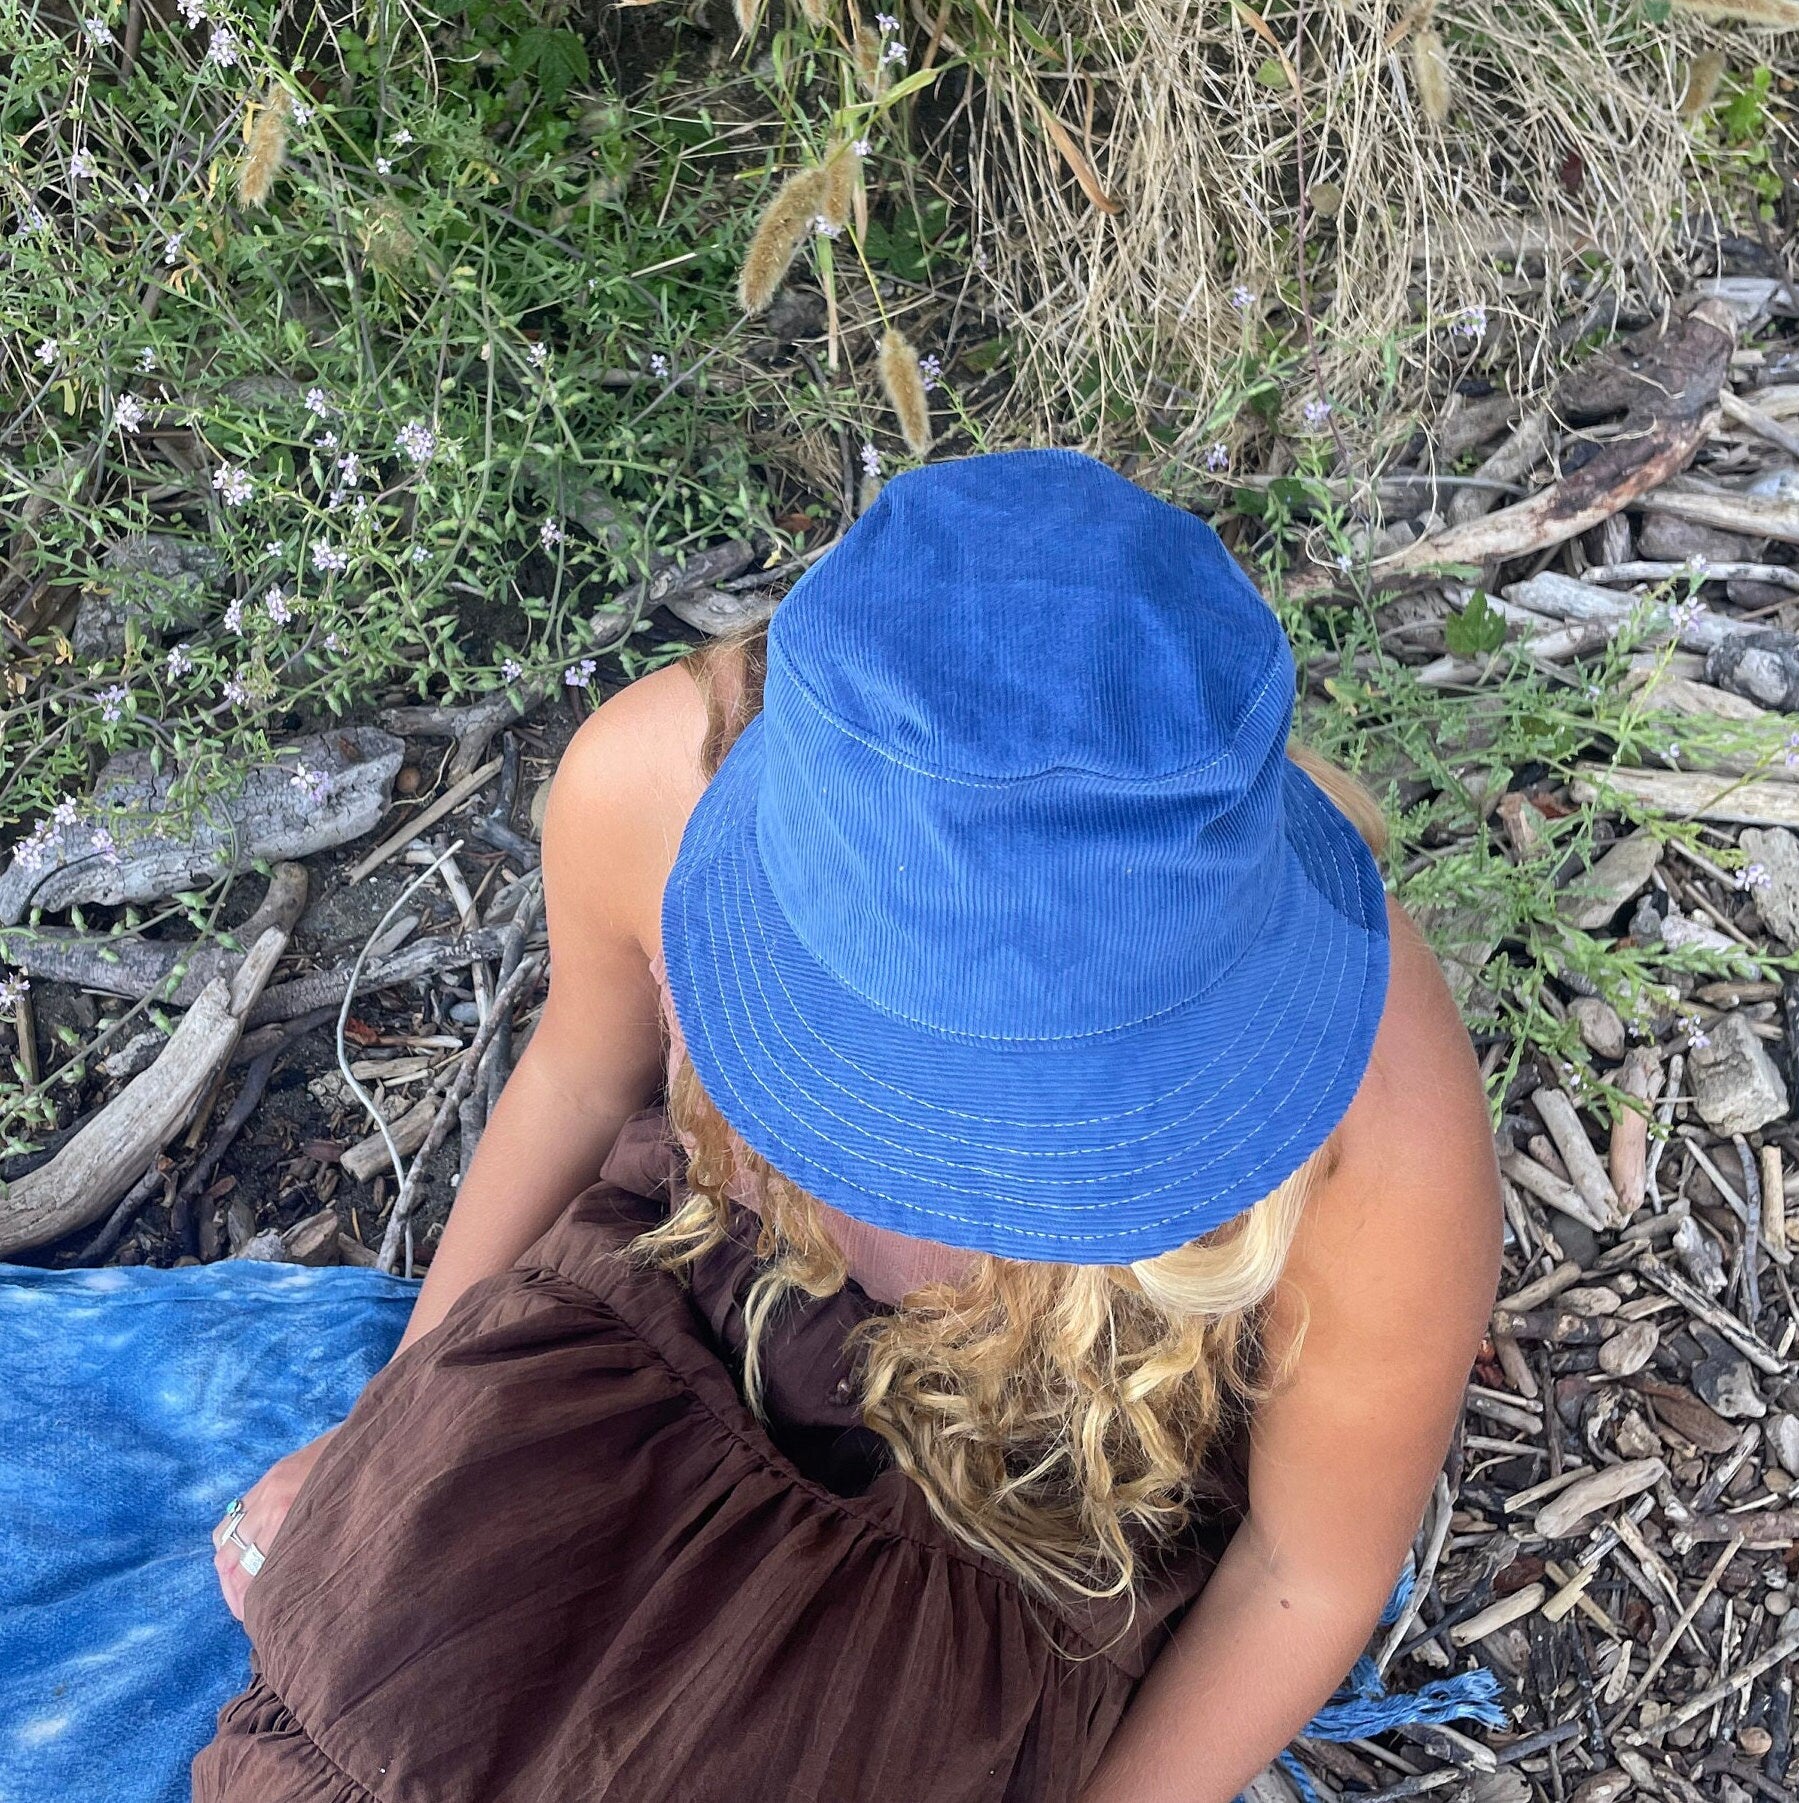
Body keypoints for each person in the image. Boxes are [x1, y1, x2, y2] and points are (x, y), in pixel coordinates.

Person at [194, 449, 1501, 1803]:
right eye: (869, 1088)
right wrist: (388, 1438)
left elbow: (1308, 1568)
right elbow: (576, 1084)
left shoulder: (1377, 1117)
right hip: (665, 1326)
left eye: (1044, 1133)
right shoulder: (648, 784)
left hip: (1022, 1509)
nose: (920, 1214)